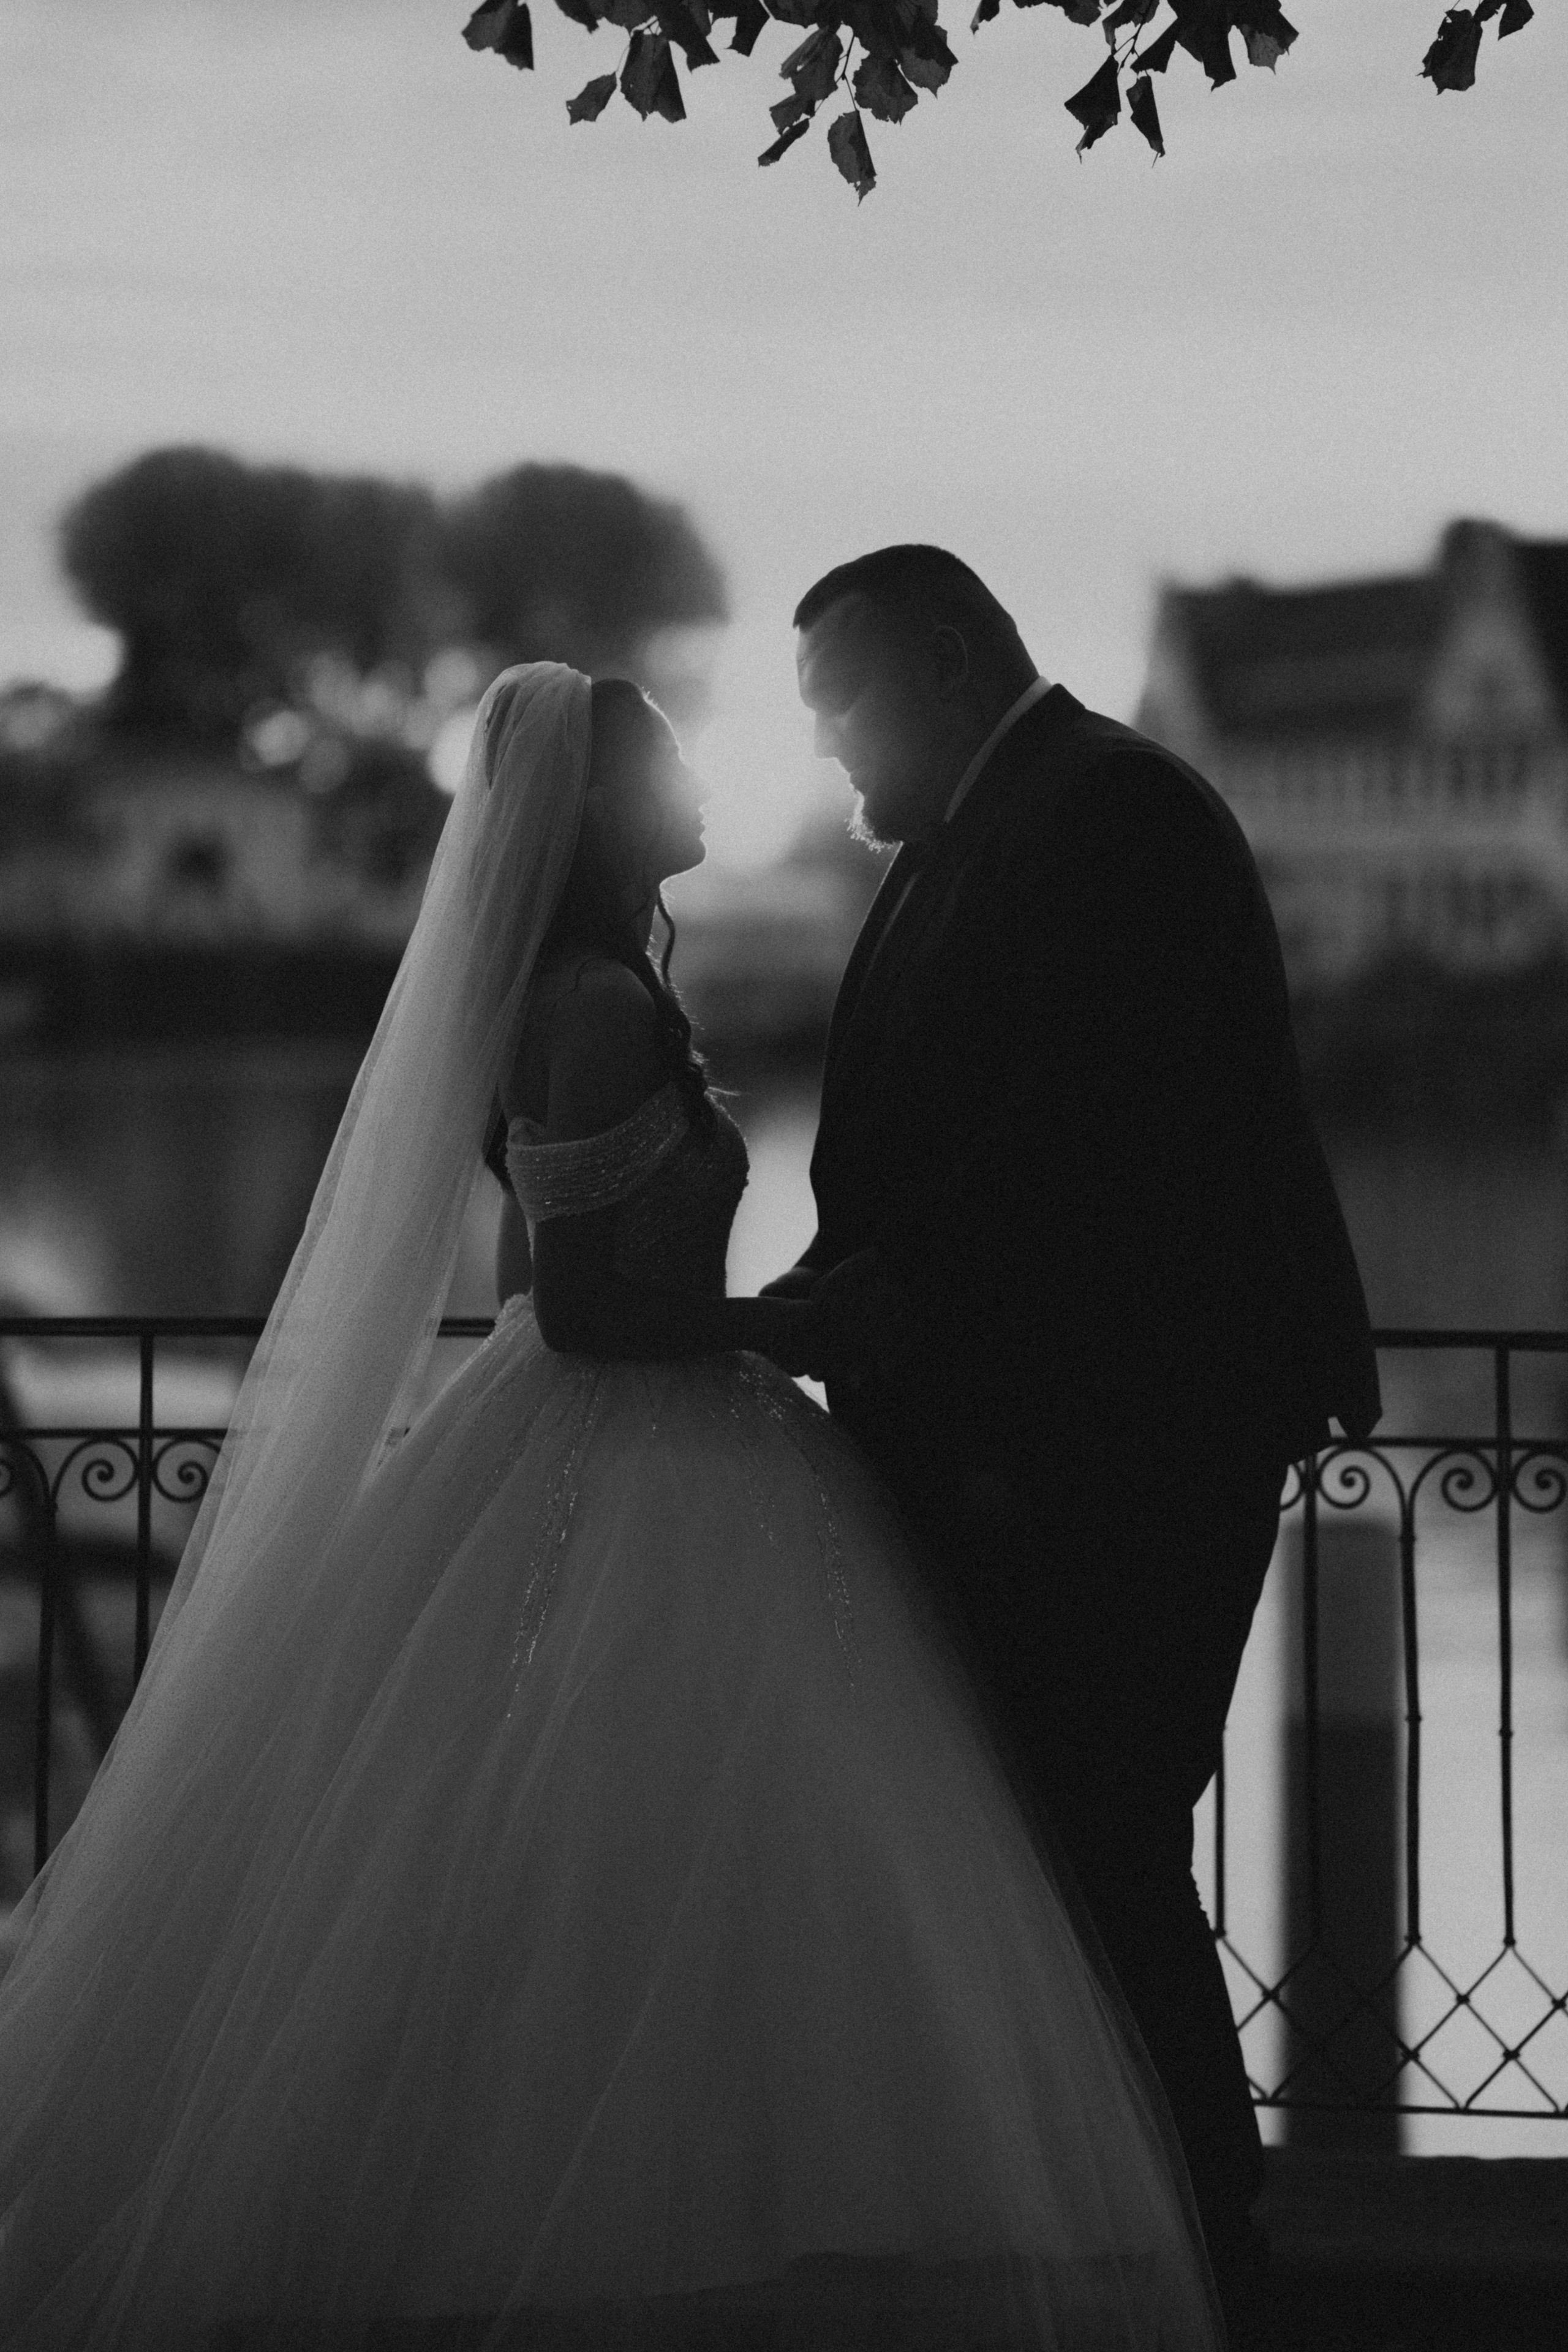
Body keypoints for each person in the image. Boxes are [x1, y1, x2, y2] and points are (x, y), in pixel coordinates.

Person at [0, 663, 1221, 2351]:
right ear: (597, 809)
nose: (704, 788)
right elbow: (568, 1310)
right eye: (669, 769)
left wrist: (755, 1316)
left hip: (661, 1427)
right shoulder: (588, 1006)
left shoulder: (605, 986)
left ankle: (701, 2212)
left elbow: (549, 1274)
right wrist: (778, 1327)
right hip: (631, 1433)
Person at [771, 545, 1384, 2351]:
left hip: (1119, 1455)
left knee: (1106, 1844)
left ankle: (1210, 2250)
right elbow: (940, 1138)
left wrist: (896, 1316)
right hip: (1023, 1450)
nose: (827, 746)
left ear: (950, 665)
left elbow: (1127, 1160)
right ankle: (1129, 2245)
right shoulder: (982, 826)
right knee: (1065, 1855)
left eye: (842, 702)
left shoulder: (1117, 814)